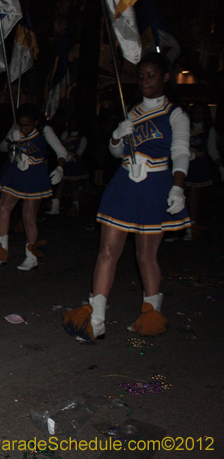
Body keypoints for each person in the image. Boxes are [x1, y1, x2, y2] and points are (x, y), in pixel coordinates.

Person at [63, 52, 190, 343]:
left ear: (165, 78)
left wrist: (178, 186)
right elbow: (117, 152)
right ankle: (95, 320)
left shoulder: (175, 113)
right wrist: (117, 136)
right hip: (123, 185)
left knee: (145, 254)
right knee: (107, 250)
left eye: (151, 75)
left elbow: (181, 152)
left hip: (155, 185)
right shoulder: (131, 110)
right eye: (141, 76)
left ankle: (150, 315)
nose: (145, 81)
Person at [0, 104, 67, 271]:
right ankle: (1, 252)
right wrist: (10, 137)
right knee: (3, 208)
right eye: (21, 125)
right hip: (16, 171)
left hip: (34, 174)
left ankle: (31, 257)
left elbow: (61, 151)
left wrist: (59, 167)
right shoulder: (15, 129)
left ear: (36, 122)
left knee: (28, 216)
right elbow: (2, 148)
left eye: (27, 125)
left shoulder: (45, 130)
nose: (24, 128)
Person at [175, 103, 221, 241]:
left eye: (201, 113)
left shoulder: (208, 130)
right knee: (179, 195)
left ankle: (191, 228)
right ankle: (176, 228)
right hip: (183, 165)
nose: (197, 116)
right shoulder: (184, 127)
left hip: (199, 166)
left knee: (193, 198)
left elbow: (212, 149)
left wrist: (220, 166)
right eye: (195, 112)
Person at [47, 115, 89, 216]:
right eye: (72, 124)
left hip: (74, 164)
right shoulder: (65, 134)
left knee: (74, 185)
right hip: (64, 162)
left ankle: (75, 207)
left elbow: (80, 151)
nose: (73, 125)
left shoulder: (82, 138)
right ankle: (55, 207)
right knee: (60, 183)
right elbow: (60, 146)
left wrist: (73, 157)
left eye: (75, 124)